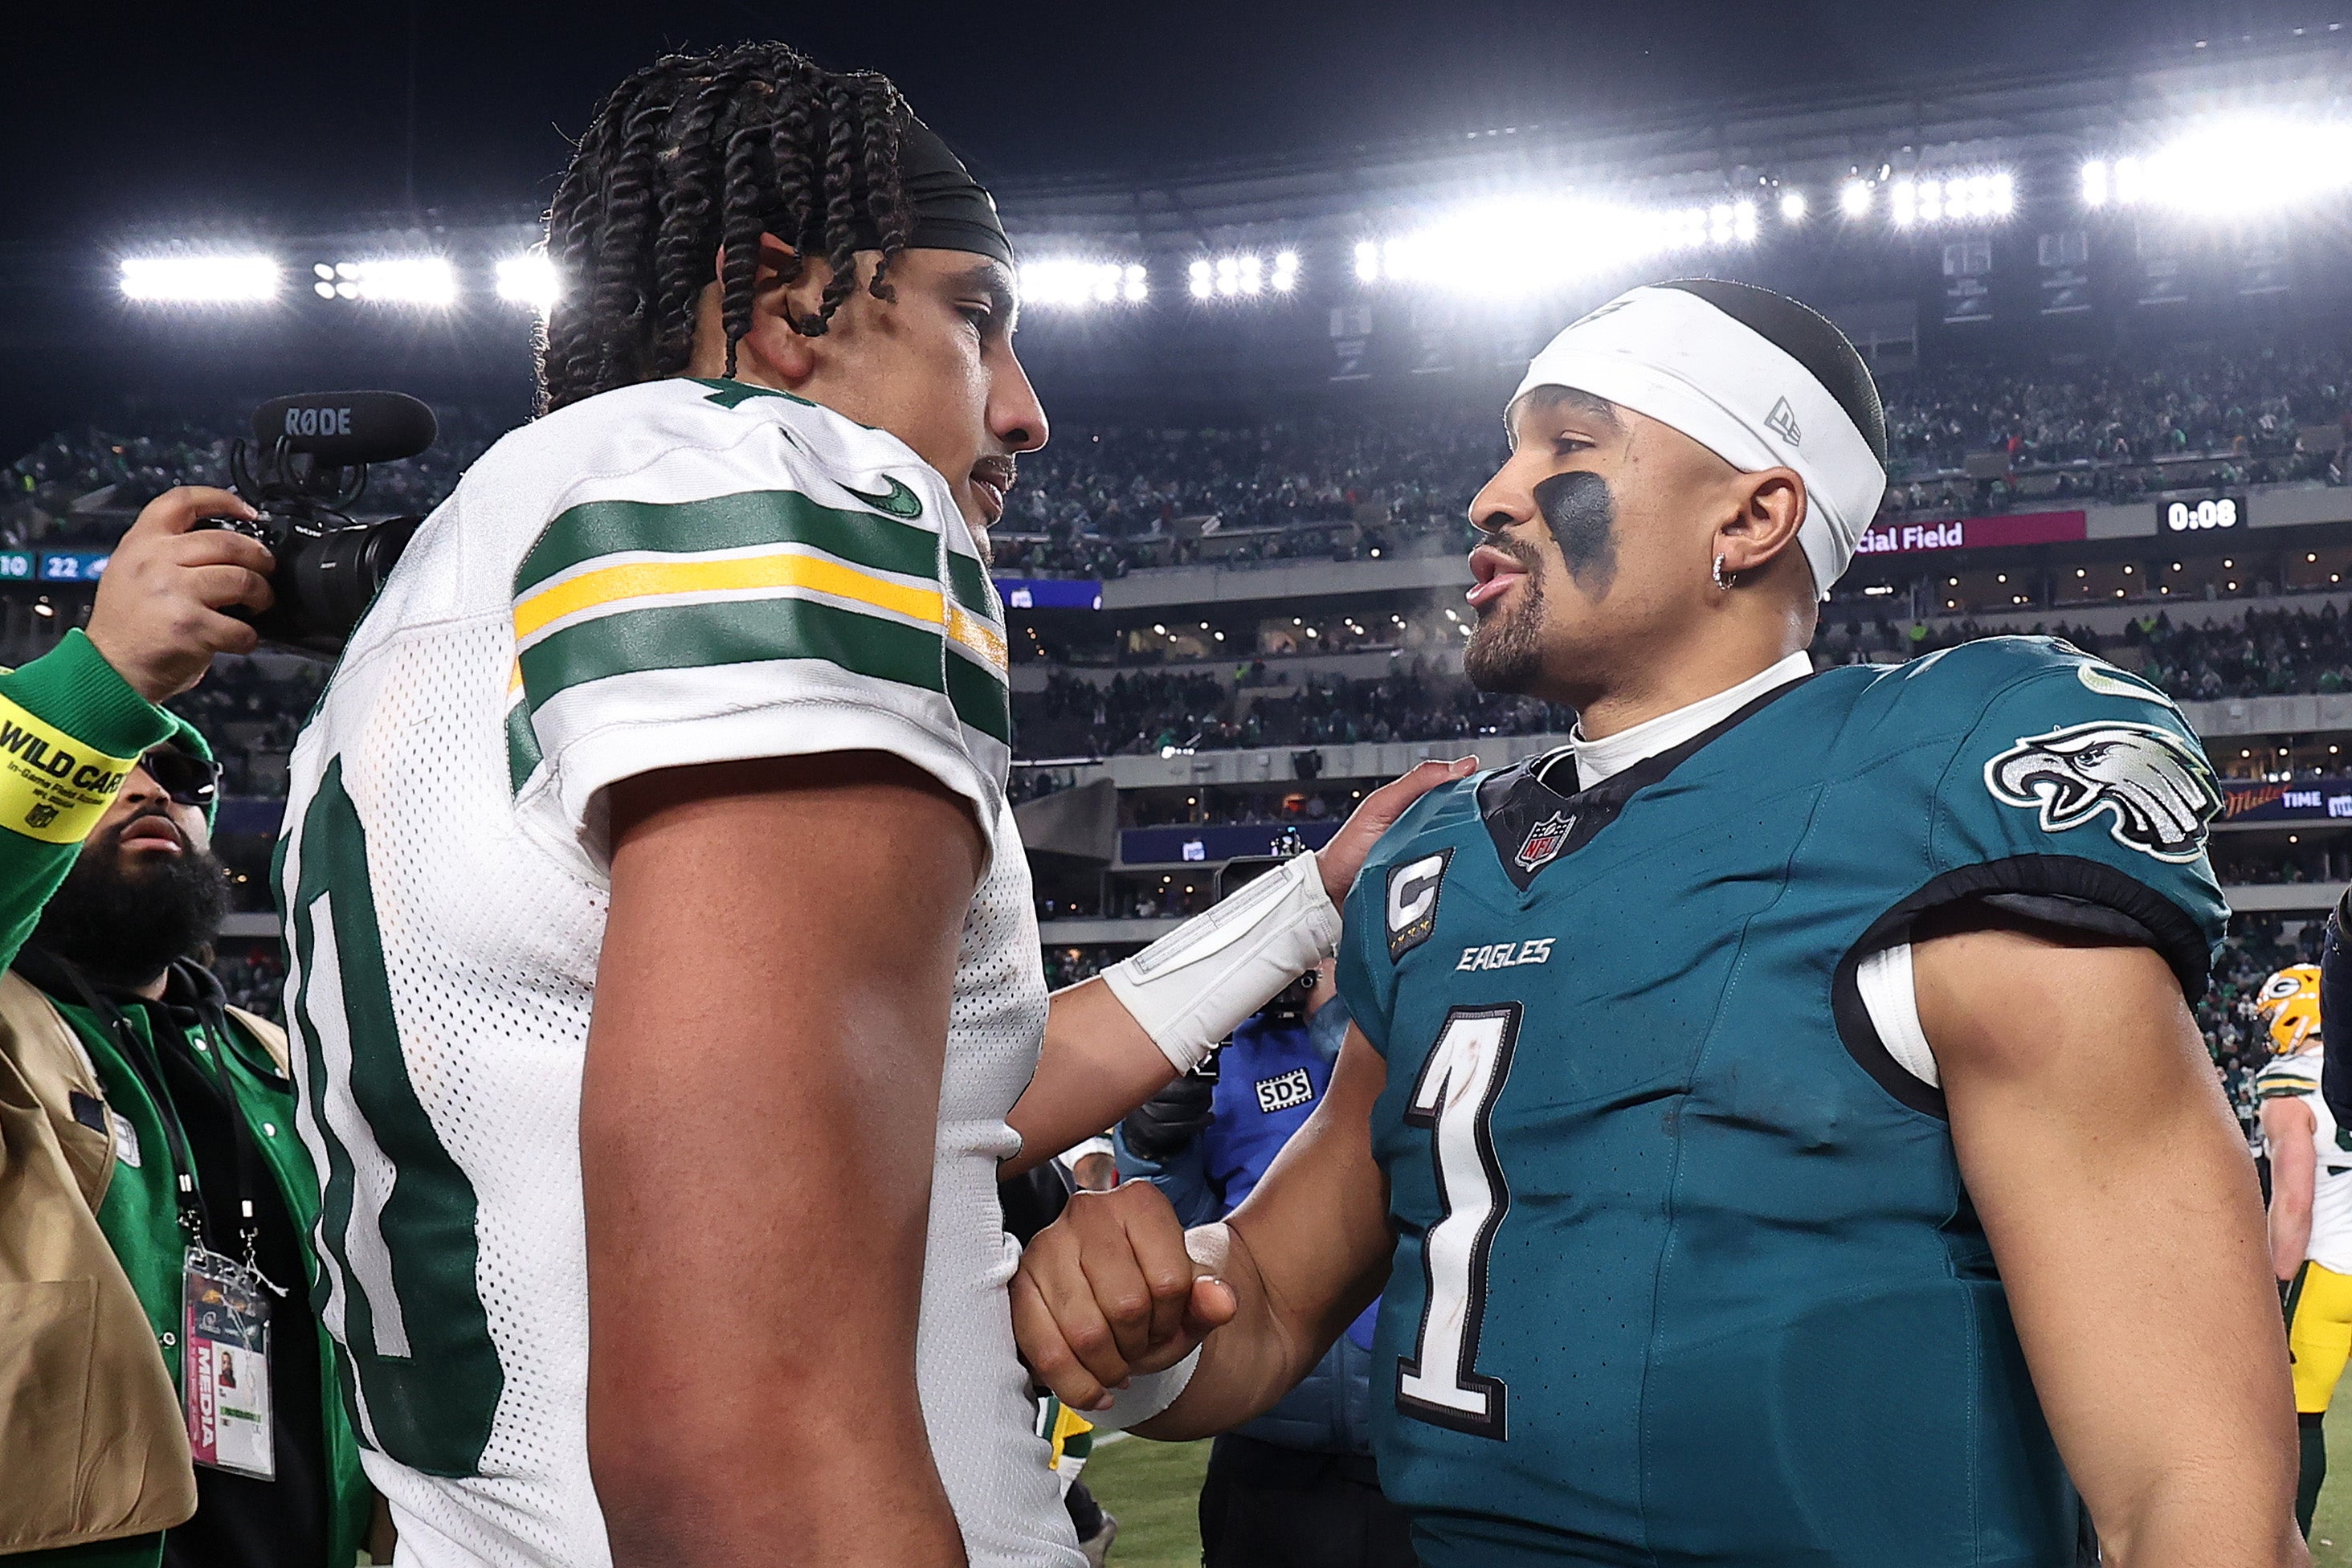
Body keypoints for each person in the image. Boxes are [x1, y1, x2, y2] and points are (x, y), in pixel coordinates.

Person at [277, 40, 1455, 1568]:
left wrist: (1306, 895)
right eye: (975, 319)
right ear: (784, 308)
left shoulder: (451, 581)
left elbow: (881, 1111)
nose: (1023, 412)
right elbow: (745, 1452)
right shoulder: (775, 481)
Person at [1013, 279, 2304, 1566]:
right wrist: (1145, 1323)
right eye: (1510, 445)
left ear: (1752, 514)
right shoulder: (1431, 863)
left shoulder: (1934, 785)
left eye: (1568, 444)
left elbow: (2191, 1496)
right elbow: (1276, 1302)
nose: (1491, 494)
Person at [0, 485, 374, 1566]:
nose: (149, 785)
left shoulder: (282, 1065)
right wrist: (105, 682)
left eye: (176, 774)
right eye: (113, 767)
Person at [1114, 961, 1414, 1568]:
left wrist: (1347, 1029)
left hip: (1421, 1445)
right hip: (1264, 1445)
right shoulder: (1217, 1048)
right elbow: (1198, 1252)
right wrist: (1153, 1152)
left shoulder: (1425, 1022)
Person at [2256, 963, 2352, 1536]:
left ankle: (2289, 1543)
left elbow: (2293, 1200)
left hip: (2327, 1273)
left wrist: (2276, 1283)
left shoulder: (2288, 1084)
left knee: (2299, 1421)